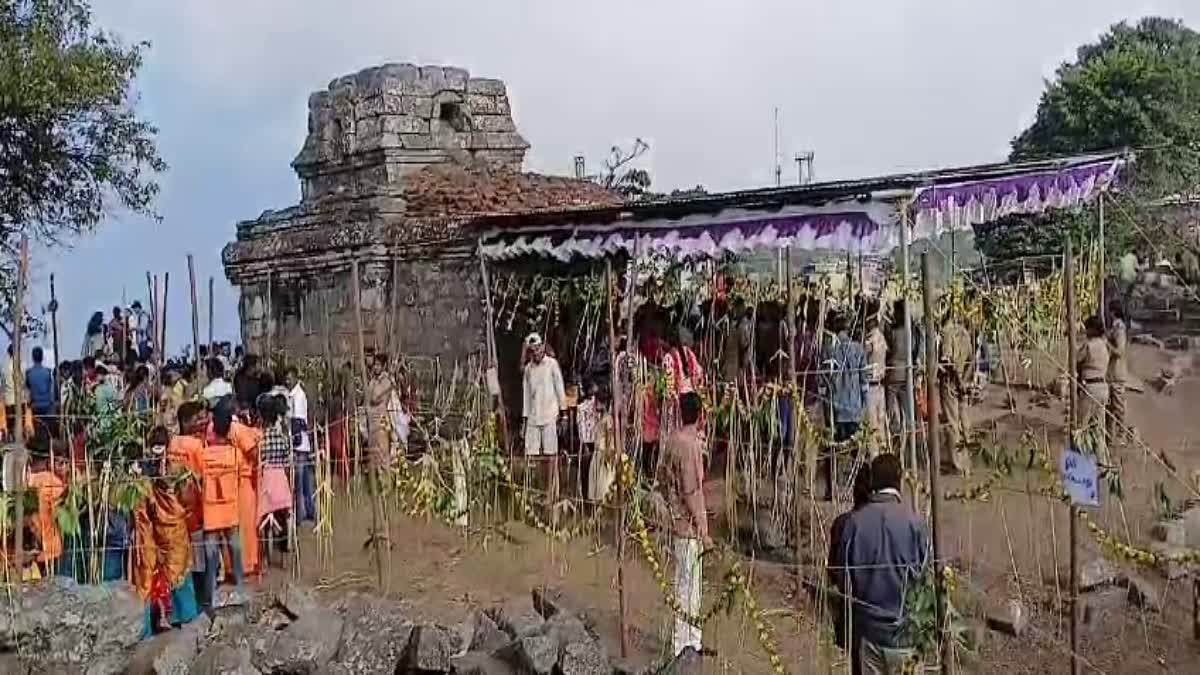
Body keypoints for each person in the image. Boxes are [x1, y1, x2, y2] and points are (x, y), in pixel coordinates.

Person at [840, 453, 929, 675]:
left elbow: (843, 579)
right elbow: (926, 578)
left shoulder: (854, 523)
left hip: (869, 634)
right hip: (906, 635)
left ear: (873, 483)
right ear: (899, 481)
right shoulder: (915, 523)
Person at [657, 392, 711, 657]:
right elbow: (691, 491)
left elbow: (664, 478)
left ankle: (691, 641)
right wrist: (703, 527)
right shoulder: (689, 446)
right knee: (689, 585)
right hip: (688, 525)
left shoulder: (672, 441)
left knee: (687, 583)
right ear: (700, 416)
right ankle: (684, 643)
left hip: (676, 518)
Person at [131, 426, 200, 634]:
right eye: (154, 448)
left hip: (173, 530)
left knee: (178, 574)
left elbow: (187, 499)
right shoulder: (150, 474)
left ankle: (184, 615)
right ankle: (175, 616)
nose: (157, 453)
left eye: (159, 447)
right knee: (168, 576)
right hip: (160, 531)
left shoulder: (174, 471)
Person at [199, 402, 244, 609]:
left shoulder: (204, 454)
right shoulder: (235, 455)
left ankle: (208, 601)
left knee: (210, 560)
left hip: (210, 513)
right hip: (230, 511)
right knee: (235, 555)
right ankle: (241, 593)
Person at [820, 312, 867, 498]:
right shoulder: (858, 348)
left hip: (835, 408)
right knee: (856, 451)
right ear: (848, 329)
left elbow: (823, 383)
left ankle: (831, 490)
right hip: (854, 408)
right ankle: (860, 490)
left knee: (831, 450)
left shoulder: (827, 350)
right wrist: (864, 406)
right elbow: (864, 381)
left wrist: (826, 410)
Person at [828, 463, 874, 651]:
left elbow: (832, 570)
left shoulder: (841, 523)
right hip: (877, 621)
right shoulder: (880, 527)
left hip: (849, 614)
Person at [521, 333, 566, 495]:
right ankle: (534, 489)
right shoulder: (528, 370)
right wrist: (524, 421)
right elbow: (526, 397)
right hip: (533, 417)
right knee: (531, 455)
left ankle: (551, 490)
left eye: (539, 349)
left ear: (542, 347)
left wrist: (564, 414)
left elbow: (560, 389)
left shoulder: (552, 364)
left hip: (549, 416)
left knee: (550, 455)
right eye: (533, 351)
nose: (537, 354)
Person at [225, 397, 260, 577]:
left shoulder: (222, 430)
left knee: (233, 527)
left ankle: (233, 567)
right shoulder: (239, 430)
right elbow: (254, 454)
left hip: (228, 482)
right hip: (243, 482)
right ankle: (246, 566)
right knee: (246, 525)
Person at [256, 393, 293, 567]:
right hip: (281, 480)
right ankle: (285, 556)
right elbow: (287, 461)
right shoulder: (282, 437)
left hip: (266, 481)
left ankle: (263, 558)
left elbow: (258, 461)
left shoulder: (259, 438)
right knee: (284, 516)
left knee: (262, 518)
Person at [937, 309, 972, 475]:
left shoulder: (946, 333)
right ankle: (966, 460)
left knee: (952, 423)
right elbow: (972, 360)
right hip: (963, 383)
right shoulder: (964, 333)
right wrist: (964, 380)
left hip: (950, 382)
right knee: (964, 422)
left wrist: (958, 380)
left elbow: (948, 361)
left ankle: (957, 464)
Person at [285, 366, 317, 526]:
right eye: (286, 378)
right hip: (300, 444)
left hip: (299, 445)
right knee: (304, 481)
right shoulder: (293, 395)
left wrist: (292, 440)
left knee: (299, 482)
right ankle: (309, 512)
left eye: (290, 378)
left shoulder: (298, 396)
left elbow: (298, 422)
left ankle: (301, 515)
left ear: (296, 378)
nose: (287, 380)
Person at [28, 450, 65, 575]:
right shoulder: (55, 483)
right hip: (51, 549)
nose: (63, 468)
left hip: (47, 549)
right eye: (60, 463)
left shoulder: (45, 479)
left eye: (64, 463)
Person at [1077, 315, 1110, 457]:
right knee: (1099, 427)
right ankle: (1101, 458)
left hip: (1090, 388)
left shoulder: (1088, 345)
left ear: (1091, 330)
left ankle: (1080, 456)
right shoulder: (1104, 345)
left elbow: (1076, 360)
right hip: (1103, 387)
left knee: (1081, 426)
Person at [862, 312, 888, 451]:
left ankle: (875, 457)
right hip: (880, 385)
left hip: (871, 387)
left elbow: (863, 358)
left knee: (873, 426)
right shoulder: (882, 338)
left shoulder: (869, 340)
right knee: (881, 423)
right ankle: (882, 451)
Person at [1105, 303, 1130, 445]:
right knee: (1110, 406)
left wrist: (1107, 345)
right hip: (1111, 373)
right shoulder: (1115, 328)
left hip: (1117, 373)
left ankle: (1121, 435)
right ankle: (1110, 435)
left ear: (1113, 312)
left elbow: (1120, 351)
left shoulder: (1119, 329)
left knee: (1118, 407)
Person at [25, 346, 56, 436]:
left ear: (33, 357)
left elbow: (27, 390)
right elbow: (51, 390)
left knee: (37, 429)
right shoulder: (47, 372)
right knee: (46, 430)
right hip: (47, 405)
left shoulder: (29, 373)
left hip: (35, 406)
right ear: (42, 357)